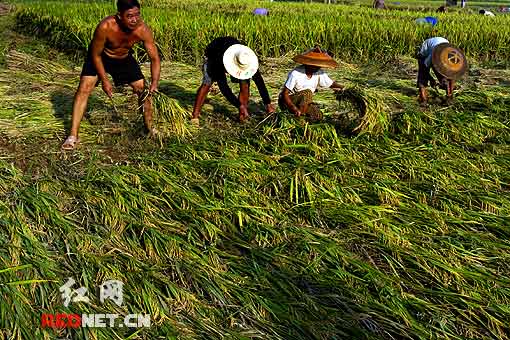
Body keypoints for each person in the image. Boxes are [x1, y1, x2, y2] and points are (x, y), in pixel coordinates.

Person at [61, 0, 161, 150]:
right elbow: (95, 56)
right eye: (129, 16)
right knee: (84, 88)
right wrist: (105, 80)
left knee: (144, 91)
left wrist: (154, 82)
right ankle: (73, 135)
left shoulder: (143, 30)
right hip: (100, 57)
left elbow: (154, 58)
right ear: (120, 16)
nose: (135, 20)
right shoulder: (106, 27)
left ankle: (150, 128)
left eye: (137, 15)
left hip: (123, 58)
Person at [191, 36, 275, 124]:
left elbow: (259, 81)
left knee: (245, 84)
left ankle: (242, 115)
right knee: (207, 83)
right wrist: (239, 105)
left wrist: (267, 103)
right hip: (213, 55)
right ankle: (195, 115)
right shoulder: (218, 60)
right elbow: (224, 88)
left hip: (232, 53)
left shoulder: (247, 60)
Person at [279, 47, 343, 121]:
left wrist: (343, 88)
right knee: (307, 93)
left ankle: (304, 121)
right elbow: (285, 94)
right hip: (289, 101)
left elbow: (331, 84)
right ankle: (300, 120)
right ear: (308, 63)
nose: (317, 67)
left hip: (303, 103)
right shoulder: (296, 73)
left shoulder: (319, 72)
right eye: (315, 65)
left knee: (318, 116)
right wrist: (294, 108)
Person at [416, 37, 466, 105]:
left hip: (442, 44)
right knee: (423, 75)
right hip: (426, 51)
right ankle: (423, 98)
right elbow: (424, 67)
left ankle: (449, 96)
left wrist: (450, 94)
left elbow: (451, 76)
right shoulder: (431, 55)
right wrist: (431, 79)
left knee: (448, 75)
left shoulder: (450, 51)